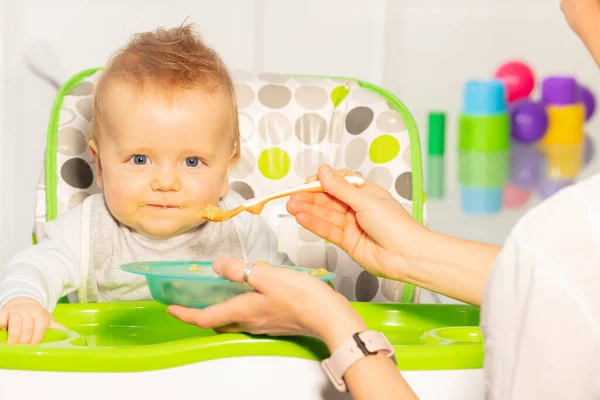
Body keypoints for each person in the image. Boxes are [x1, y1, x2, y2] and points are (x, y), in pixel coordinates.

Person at [167, 2, 600, 398]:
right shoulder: (562, 240)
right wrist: (409, 253)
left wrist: (331, 320)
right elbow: (564, 286)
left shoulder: (567, 227)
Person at [0, 24, 291, 345]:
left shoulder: (242, 226)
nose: (165, 183)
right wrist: (24, 301)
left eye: (192, 162)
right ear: (99, 164)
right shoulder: (85, 231)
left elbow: (292, 289)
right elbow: (33, 267)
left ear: (225, 172)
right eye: (139, 159)